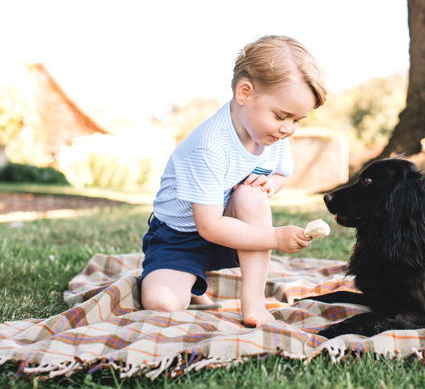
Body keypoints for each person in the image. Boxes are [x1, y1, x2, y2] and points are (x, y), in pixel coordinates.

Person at [140, 35, 327, 327]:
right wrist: (276, 237)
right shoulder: (209, 146)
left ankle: (253, 302)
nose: (288, 128)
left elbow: (280, 174)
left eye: (297, 120)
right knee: (162, 304)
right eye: (282, 116)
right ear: (245, 92)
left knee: (251, 196)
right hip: (181, 236)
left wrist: (269, 186)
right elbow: (209, 226)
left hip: (233, 230)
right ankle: (188, 280)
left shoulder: (271, 133)